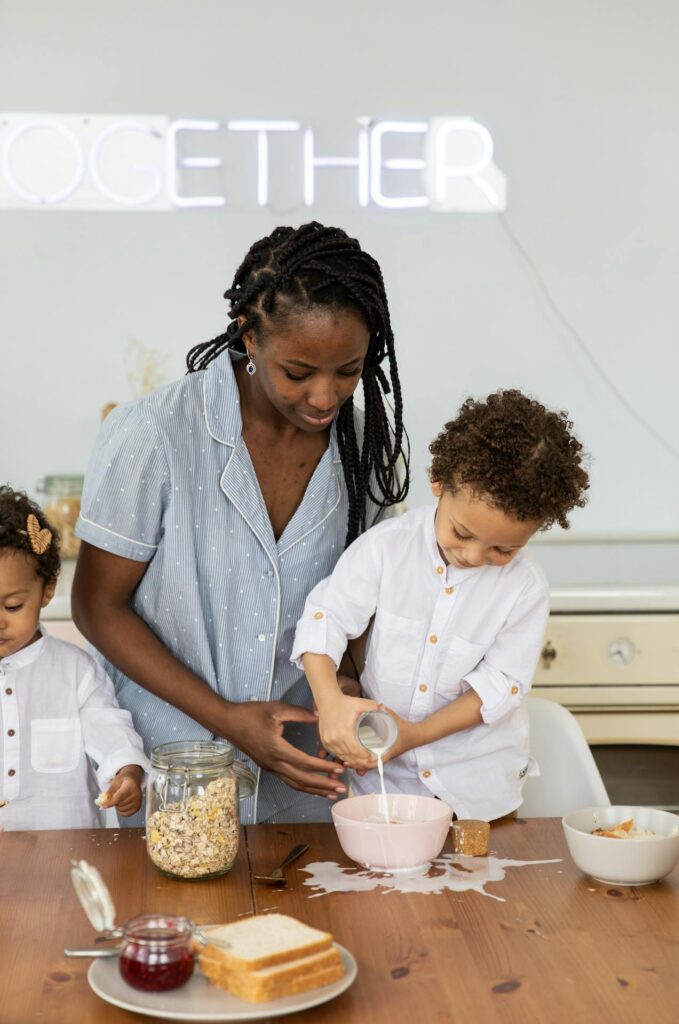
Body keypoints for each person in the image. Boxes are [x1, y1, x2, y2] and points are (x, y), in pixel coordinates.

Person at [72, 221, 409, 825]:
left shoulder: (366, 450)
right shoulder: (154, 436)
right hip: (170, 769)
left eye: (349, 370)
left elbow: (369, 598)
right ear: (248, 338)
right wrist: (228, 720)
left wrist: (350, 689)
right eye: (299, 372)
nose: (325, 398)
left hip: (309, 777)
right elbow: (98, 607)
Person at [292, 389, 590, 822]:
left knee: (475, 887)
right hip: (383, 784)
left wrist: (415, 735)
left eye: (502, 549)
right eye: (463, 533)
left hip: (478, 795)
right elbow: (325, 619)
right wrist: (330, 701)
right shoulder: (385, 549)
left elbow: (499, 686)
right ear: (438, 481)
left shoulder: (525, 589)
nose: (473, 556)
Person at [0, 486, 148, 830]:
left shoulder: (75, 670)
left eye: (12, 606)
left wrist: (127, 772)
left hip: (68, 858)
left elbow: (111, 732)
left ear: (47, 590)